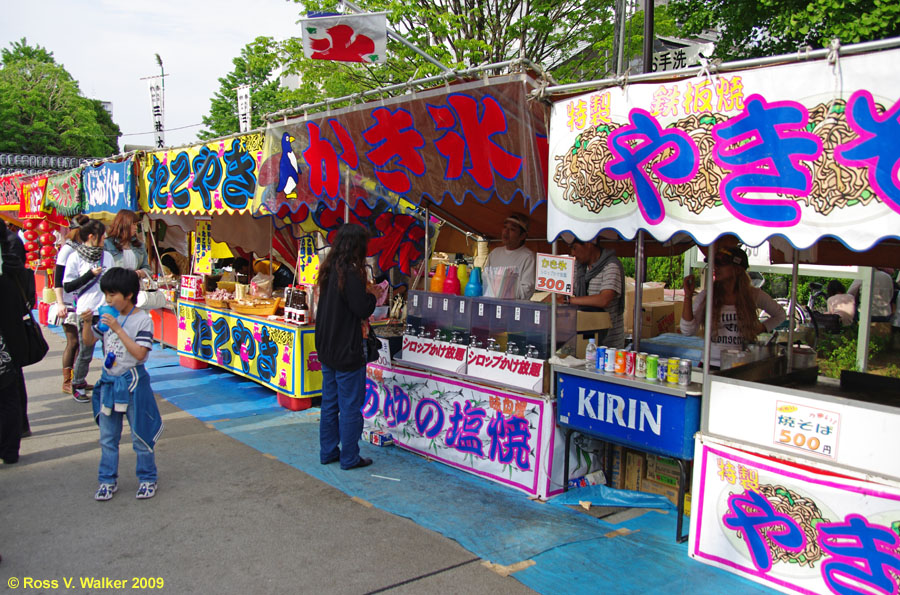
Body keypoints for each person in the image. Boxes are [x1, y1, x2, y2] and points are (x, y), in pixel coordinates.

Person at [84, 267, 161, 501]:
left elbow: (140, 354)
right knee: (108, 437)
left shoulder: (142, 320)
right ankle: (107, 480)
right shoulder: (108, 316)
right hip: (109, 382)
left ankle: (147, 478)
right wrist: (87, 323)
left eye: (112, 294)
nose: (108, 299)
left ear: (128, 294)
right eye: (106, 294)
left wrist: (118, 328)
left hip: (134, 383)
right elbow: (88, 341)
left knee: (140, 434)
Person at [314, 224, 383, 470]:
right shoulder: (351, 273)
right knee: (350, 406)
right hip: (347, 348)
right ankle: (350, 457)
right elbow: (362, 308)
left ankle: (328, 451)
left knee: (330, 403)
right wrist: (373, 296)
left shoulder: (329, 270)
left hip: (327, 347)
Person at [680, 245, 786, 367]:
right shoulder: (707, 295)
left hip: (740, 365)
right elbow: (687, 330)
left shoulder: (753, 294)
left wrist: (761, 328)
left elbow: (780, 315)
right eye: (715, 263)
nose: (716, 267)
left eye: (722, 263)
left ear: (738, 268)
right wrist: (687, 296)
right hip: (711, 364)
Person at [63, 219, 114, 403]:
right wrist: (89, 275)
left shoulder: (106, 257)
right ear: (92, 236)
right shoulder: (75, 257)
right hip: (86, 312)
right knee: (85, 352)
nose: (104, 239)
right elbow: (68, 286)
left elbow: (114, 280)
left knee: (111, 351)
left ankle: (110, 384)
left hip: (106, 311)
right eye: (102, 236)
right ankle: (77, 384)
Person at [0, 222, 35, 463]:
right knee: (10, 392)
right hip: (10, 339)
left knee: (9, 393)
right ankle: (11, 448)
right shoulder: (12, 264)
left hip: (7, 338)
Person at [565, 237, 626, 349]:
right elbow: (566, 290)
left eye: (575, 248)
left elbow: (604, 299)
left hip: (609, 345)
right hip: (584, 339)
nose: (572, 253)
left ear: (588, 243)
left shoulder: (611, 266)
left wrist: (569, 301)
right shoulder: (579, 268)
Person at [54, 214, 91, 394]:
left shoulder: (82, 248)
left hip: (81, 299)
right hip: (68, 300)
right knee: (73, 341)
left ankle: (78, 378)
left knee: (83, 341)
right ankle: (67, 381)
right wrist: (60, 302)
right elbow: (58, 278)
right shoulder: (67, 250)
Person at [484, 213, 536, 300]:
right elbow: (485, 279)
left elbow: (527, 290)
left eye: (512, 229)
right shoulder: (495, 253)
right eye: (505, 227)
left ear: (522, 236)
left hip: (513, 308)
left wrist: (502, 291)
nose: (506, 232)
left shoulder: (528, 257)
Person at [103, 209, 151, 279]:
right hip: (115, 285)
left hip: (135, 286)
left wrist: (139, 273)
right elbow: (104, 269)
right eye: (133, 224)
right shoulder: (107, 244)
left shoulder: (140, 245)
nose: (136, 227)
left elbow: (147, 268)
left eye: (136, 224)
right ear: (124, 224)